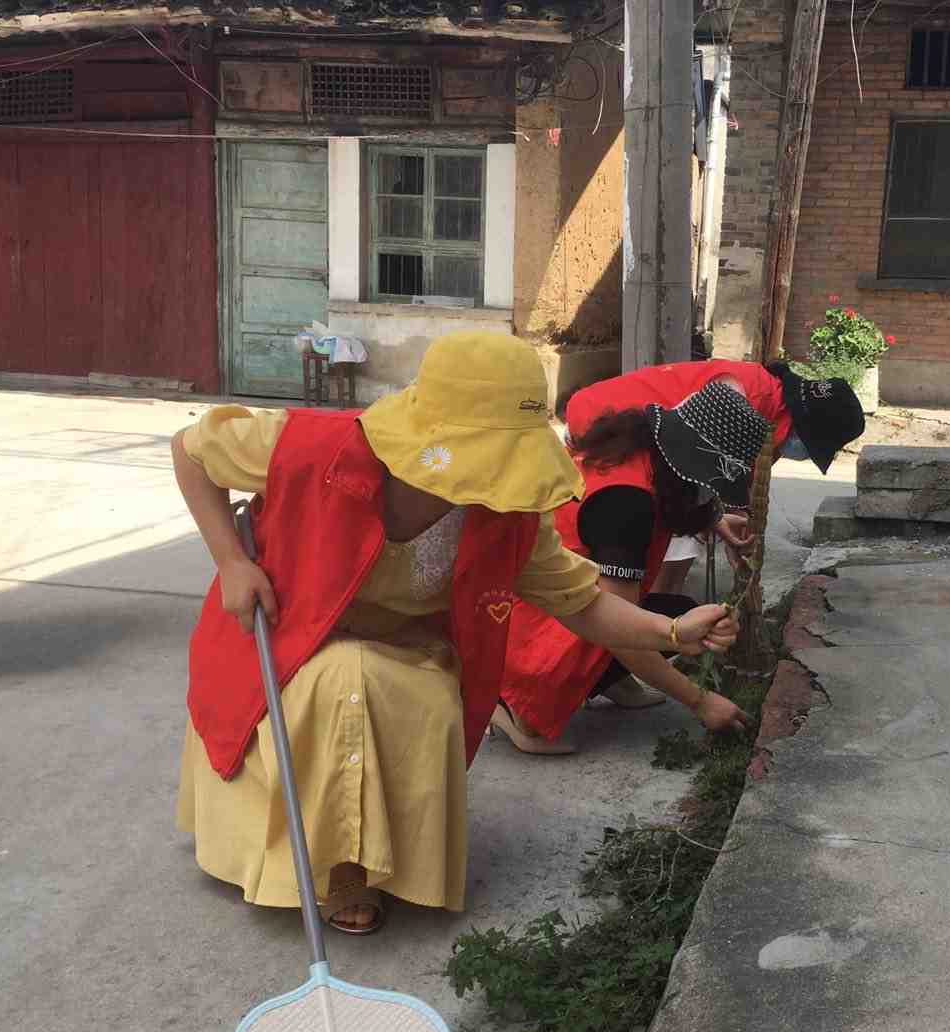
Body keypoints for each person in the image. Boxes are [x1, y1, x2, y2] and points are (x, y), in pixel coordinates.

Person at [171, 332, 739, 935]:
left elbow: (582, 602)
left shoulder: (506, 511)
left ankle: (380, 848)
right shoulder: (315, 448)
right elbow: (191, 450)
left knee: (422, 693)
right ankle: (341, 867)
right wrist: (232, 562)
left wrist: (671, 630)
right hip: (292, 636)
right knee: (348, 676)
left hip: (411, 644)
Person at [496, 380, 773, 754]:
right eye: (710, 482)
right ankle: (514, 702)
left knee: (677, 612)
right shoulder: (626, 504)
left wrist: (716, 521)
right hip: (529, 627)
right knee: (669, 626)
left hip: (553, 602)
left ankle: (605, 679)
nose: (710, 491)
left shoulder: (641, 453)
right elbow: (618, 626)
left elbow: (676, 503)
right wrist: (700, 701)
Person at [561, 359, 866, 595]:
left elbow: (721, 486)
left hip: (618, 431)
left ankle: (650, 610)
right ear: (805, 428)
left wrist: (716, 520)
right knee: (658, 554)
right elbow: (699, 485)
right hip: (602, 427)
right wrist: (671, 636)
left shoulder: (770, 403)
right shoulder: (742, 397)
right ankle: (653, 608)